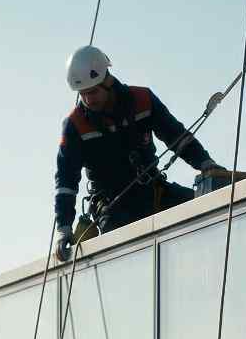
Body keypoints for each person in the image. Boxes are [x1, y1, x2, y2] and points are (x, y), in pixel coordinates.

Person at [54, 45, 229, 260]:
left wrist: (205, 163)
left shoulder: (142, 100)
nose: (89, 100)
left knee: (206, 209)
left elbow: (176, 135)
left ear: (107, 80)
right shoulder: (76, 125)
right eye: (83, 94)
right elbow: (66, 181)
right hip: (112, 207)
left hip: (153, 192)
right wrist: (64, 228)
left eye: (93, 92)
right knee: (121, 252)